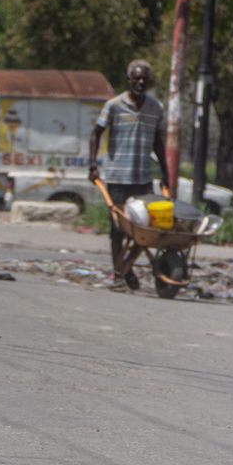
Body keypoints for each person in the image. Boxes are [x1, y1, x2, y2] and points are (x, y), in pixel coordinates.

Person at [88, 59, 169, 291]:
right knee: (118, 229)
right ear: (129, 79)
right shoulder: (114, 105)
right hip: (117, 178)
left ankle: (124, 267)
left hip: (143, 178)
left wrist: (165, 172)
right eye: (136, 78)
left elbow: (158, 142)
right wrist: (92, 165)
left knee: (145, 231)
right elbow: (96, 133)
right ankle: (119, 273)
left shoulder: (156, 108)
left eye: (144, 78)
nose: (140, 82)